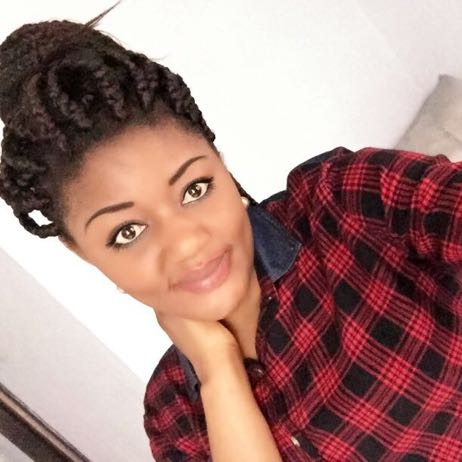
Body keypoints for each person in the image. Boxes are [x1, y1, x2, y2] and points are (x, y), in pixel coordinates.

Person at [1, 5, 461, 462]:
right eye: (128, 231)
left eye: (195, 189)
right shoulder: (173, 416)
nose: (187, 243)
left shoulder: (346, 206)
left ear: (221, 166)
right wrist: (219, 371)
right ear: (82, 252)